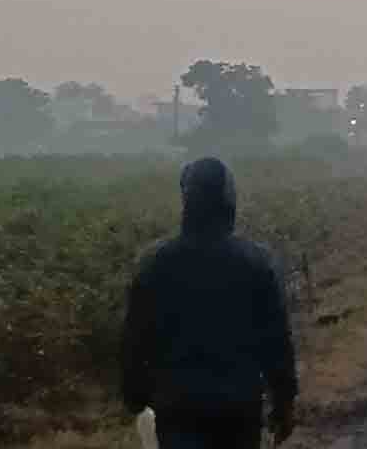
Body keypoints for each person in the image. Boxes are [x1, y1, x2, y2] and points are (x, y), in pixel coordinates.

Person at [122, 157, 298, 448]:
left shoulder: (154, 264)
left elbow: (134, 337)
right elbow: (276, 341)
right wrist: (284, 402)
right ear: (229, 201)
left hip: (177, 411)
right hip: (238, 410)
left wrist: (135, 394)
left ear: (187, 201)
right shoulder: (255, 262)